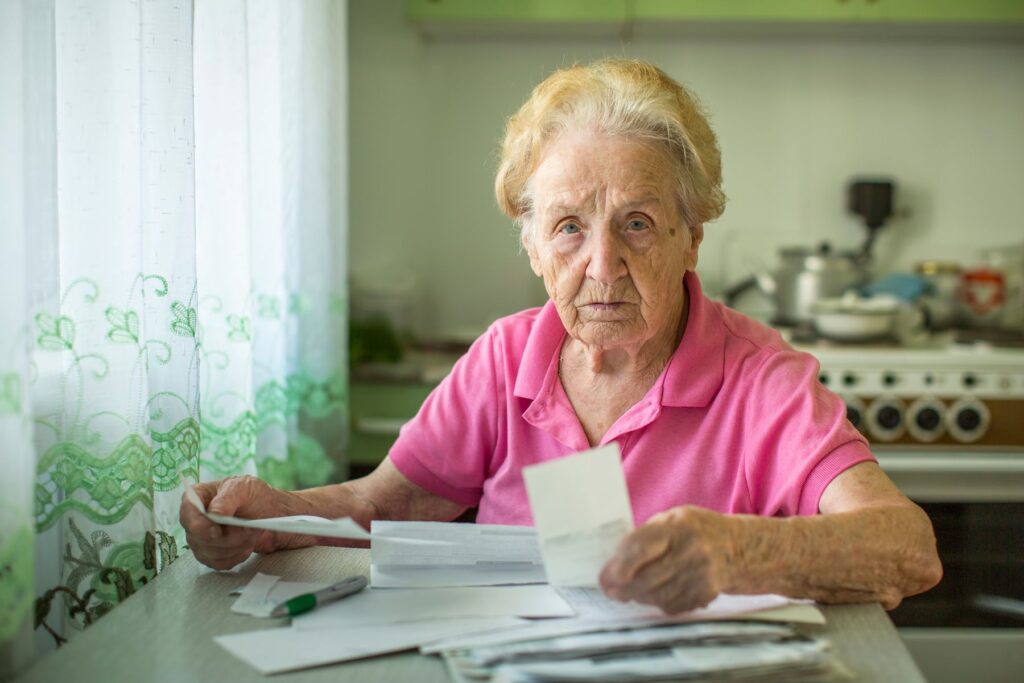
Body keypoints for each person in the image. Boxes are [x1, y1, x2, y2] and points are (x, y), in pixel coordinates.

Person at [181, 59, 941, 614]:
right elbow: (386, 505)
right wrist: (270, 519)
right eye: (569, 228)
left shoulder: (761, 380)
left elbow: (907, 546)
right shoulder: (507, 356)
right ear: (534, 247)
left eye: (637, 224)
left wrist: (736, 550)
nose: (602, 265)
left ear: (691, 238)